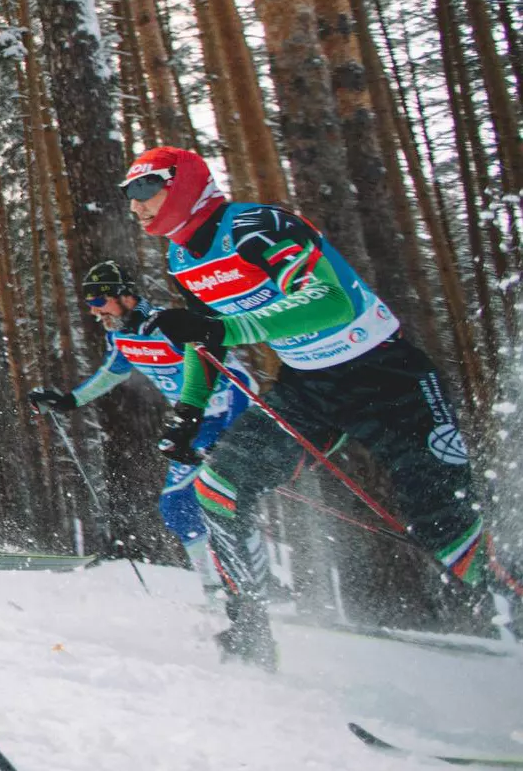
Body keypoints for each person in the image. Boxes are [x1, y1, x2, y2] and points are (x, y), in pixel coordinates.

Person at [121, 146, 510, 668]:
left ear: (184, 182)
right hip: (308, 385)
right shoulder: (183, 257)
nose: (136, 204)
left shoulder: (256, 226)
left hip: (384, 375)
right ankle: (249, 636)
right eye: (129, 196)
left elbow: (331, 301)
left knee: (451, 533)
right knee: (219, 489)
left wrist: (225, 328)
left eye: (146, 189)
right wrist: (188, 410)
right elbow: (206, 339)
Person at [28, 259, 255, 600]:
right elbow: (112, 373)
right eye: (89, 305)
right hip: (194, 426)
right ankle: (217, 589)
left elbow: (236, 377)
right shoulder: (120, 335)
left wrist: (232, 431)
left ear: (124, 296)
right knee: (179, 507)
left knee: (213, 500)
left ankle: (242, 586)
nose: (94, 312)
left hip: (225, 416)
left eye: (98, 302)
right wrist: (69, 401)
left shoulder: (169, 326)